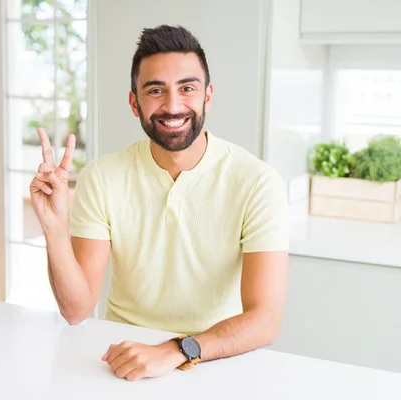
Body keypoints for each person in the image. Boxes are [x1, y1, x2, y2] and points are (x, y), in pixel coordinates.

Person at [29, 24, 289, 381]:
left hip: (215, 357)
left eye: (187, 88)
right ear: (135, 102)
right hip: (118, 359)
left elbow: (265, 320)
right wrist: (54, 228)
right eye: (156, 90)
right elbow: (75, 311)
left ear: (207, 96)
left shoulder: (258, 182)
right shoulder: (102, 177)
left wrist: (176, 350)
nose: (173, 105)